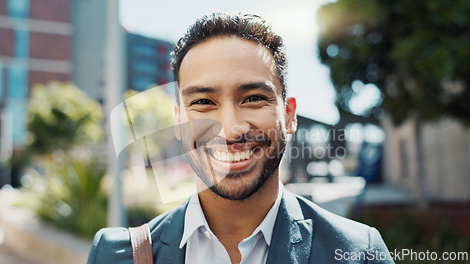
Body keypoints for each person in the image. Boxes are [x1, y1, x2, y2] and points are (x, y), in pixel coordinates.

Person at [87, 13, 393, 264]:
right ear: (179, 121)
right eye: (204, 102)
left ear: (288, 115)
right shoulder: (116, 255)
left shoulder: (358, 253)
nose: (231, 130)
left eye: (254, 98)